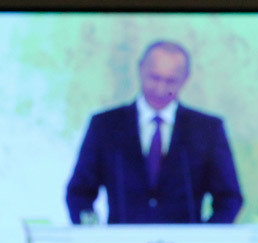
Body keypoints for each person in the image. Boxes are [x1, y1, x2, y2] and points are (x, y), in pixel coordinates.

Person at [66, 40, 242, 224]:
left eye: (170, 81)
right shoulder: (105, 125)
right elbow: (79, 193)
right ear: (141, 69)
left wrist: (206, 240)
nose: (160, 89)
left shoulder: (207, 130)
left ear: (186, 78)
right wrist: (93, 235)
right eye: (154, 78)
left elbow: (229, 198)